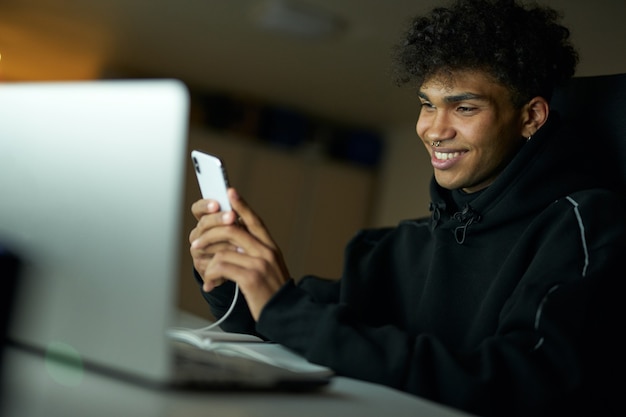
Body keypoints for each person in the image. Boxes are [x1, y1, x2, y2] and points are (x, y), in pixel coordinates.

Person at [189, 0, 625, 415]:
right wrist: (235, 281)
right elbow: (308, 325)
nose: (435, 130)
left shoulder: (582, 226)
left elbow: (515, 385)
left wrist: (287, 312)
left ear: (531, 117)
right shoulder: (400, 245)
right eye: (427, 105)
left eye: (465, 107)